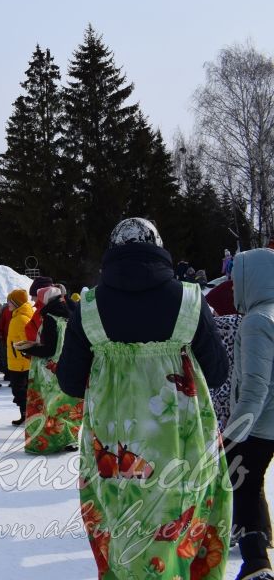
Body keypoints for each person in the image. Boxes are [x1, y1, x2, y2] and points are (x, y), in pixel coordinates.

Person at [56, 217, 230, 580]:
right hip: (183, 444)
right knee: (184, 518)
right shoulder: (189, 300)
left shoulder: (88, 307)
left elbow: (70, 383)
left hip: (114, 447)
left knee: (121, 521)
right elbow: (217, 373)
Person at [225, 248, 274, 579]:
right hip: (267, 424)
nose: (232, 287)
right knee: (252, 482)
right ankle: (263, 538)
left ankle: (255, 563)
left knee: (240, 485)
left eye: (235, 280)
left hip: (259, 424)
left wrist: (233, 433)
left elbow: (256, 387)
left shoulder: (258, 321)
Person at [18, 287, 82, 453]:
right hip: (68, 364)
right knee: (65, 403)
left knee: (47, 405)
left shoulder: (49, 318)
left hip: (49, 370)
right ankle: (70, 438)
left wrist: (27, 349)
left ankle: (48, 442)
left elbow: (49, 350)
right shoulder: (70, 314)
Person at [5, 289, 34, 426]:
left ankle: (27, 414)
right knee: (19, 389)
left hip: (20, 362)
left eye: (9, 302)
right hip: (17, 360)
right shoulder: (18, 316)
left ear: (16, 303)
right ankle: (25, 413)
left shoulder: (21, 318)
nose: (7, 304)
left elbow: (26, 340)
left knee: (19, 389)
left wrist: (22, 355)